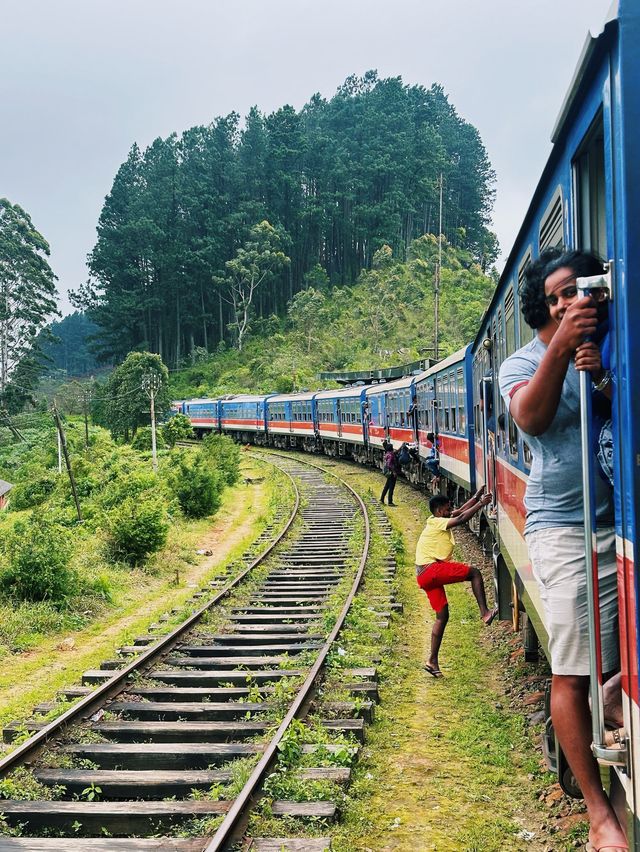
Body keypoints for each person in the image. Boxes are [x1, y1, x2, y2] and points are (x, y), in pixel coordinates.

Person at [498, 248, 626, 852]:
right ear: (543, 308)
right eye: (555, 298)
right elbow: (531, 416)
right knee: (572, 670)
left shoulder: (610, 344)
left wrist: (601, 373)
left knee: (611, 662)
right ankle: (600, 814)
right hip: (564, 530)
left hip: (617, 524)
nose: (567, 303)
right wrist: (562, 348)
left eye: (578, 291)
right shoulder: (522, 361)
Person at [416, 489, 497, 677]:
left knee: (442, 616)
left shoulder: (436, 519)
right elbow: (461, 519)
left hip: (423, 575)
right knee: (474, 574)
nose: (450, 510)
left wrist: (476, 498)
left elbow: (459, 512)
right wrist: (482, 504)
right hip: (431, 570)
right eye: (447, 508)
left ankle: (432, 661)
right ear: (438, 511)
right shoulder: (438, 522)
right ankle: (485, 613)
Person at [380, 440, 400, 505]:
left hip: (389, 473)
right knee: (391, 487)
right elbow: (389, 464)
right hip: (391, 473)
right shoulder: (391, 455)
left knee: (386, 486)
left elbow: (395, 452)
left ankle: (382, 499)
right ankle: (390, 502)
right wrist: (394, 472)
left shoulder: (388, 453)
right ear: (391, 448)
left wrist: (401, 447)